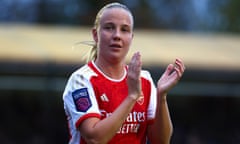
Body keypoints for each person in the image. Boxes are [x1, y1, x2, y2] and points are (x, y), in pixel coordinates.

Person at [63, 2, 185, 144]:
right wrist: (132, 96)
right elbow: (95, 139)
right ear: (96, 35)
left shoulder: (144, 79)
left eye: (124, 30)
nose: (117, 35)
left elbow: (161, 141)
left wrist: (161, 96)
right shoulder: (81, 80)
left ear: (131, 38)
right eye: (109, 28)